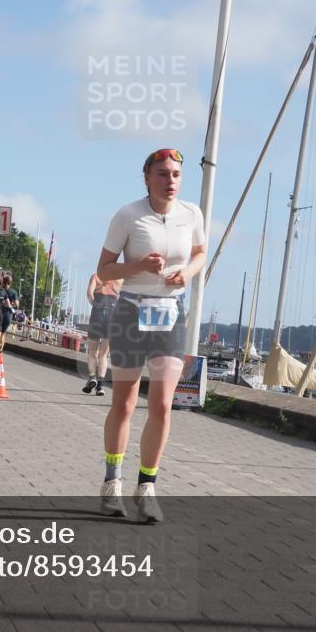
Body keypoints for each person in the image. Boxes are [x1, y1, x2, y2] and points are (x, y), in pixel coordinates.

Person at [95, 148, 206, 523]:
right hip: (131, 311)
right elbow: (104, 270)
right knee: (124, 404)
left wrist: (186, 273)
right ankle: (112, 481)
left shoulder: (191, 214)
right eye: (162, 174)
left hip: (170, 314)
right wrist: (139, 265)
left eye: (175, 174)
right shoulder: (128, 215)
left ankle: (147, 487)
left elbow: (200, 252)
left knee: (161, 405)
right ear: (147, 178)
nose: (170, 181)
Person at [83, 273, 122, 396]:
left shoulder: (96, 276)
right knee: (103, 355)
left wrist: (95, 305)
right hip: (112, 316)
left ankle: (92, 377)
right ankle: (100, 386)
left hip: (97, 314)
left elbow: (89, 294)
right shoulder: (120, 279)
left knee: (92, 353)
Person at [0, 274, 19, 353]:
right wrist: (10, 304)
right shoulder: (13, 292)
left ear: (3, 282)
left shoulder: (0, 290)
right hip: (8, 315)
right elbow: (17, 304)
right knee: (3, 333)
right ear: (11, 283)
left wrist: (3, 303)